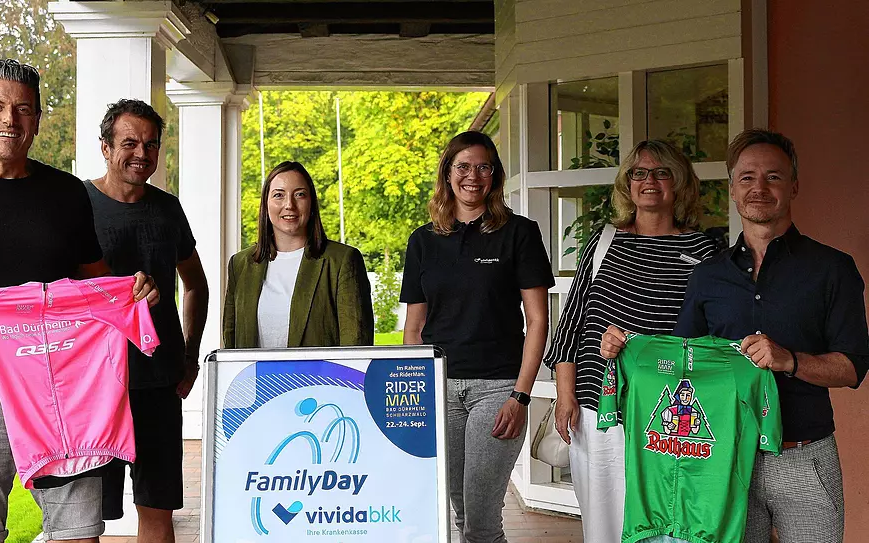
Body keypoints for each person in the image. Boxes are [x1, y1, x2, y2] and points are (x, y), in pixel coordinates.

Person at [0, 60, 157, 543]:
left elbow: (96, 284)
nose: (10, 120)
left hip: (66, 395)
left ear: (38, 118)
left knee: (78, 535)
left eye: (23, 109)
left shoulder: (65, 193)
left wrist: (133, 292)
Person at [664, 129, 867, 542]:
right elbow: (684, 360)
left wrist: (788, 360)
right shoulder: (708, 275)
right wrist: (626, 346)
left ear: (794, 186)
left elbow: (851, 368)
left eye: (773, 177)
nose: (759, 188)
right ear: (733, 191)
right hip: (723, 456)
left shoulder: (832, 269)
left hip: (804, 456)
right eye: (747, 178)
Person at [545, 140, 717, 543]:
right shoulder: (604, 243)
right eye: (638, 173)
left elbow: (711, 334)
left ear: (679, 183)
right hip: (598, 407)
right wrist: (566, 396)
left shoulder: (702, 249)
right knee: (604, 524)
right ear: (627, 184)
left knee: (664, 523)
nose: (649, 181)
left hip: (667, 413)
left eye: (661, 172)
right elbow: (571, 326)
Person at [401, 131, 554, 543]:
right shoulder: (423, 240)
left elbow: (538, 320)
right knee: (459, 511)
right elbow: (414, 327)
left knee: (481, 523)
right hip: (439, 389)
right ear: (447, 174)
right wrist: (418, 389)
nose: (473, 176)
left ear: (495, 175)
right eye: (463, 166)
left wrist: (521, 396)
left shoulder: (519, 233)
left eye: (483, 166)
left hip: (498, 388)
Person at [85, 99, 209, 542]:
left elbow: (196, 284)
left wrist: (190, 355)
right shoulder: (78, 205)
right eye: (130, 142)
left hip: (159, 381)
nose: (142, 153)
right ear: (105, 146)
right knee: (82, 518)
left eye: (151, 144)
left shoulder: (168, 208)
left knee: (157, 511)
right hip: (94, 385)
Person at [222, 161, 373, 348]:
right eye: (278, 195)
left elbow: (356, 346)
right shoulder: (240, 264)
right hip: (254, 378)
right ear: (265, 205)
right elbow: (230, 345)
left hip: (321, 378)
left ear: (311, 203)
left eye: (299, 195)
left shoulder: (342, 261)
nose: (289, 205)